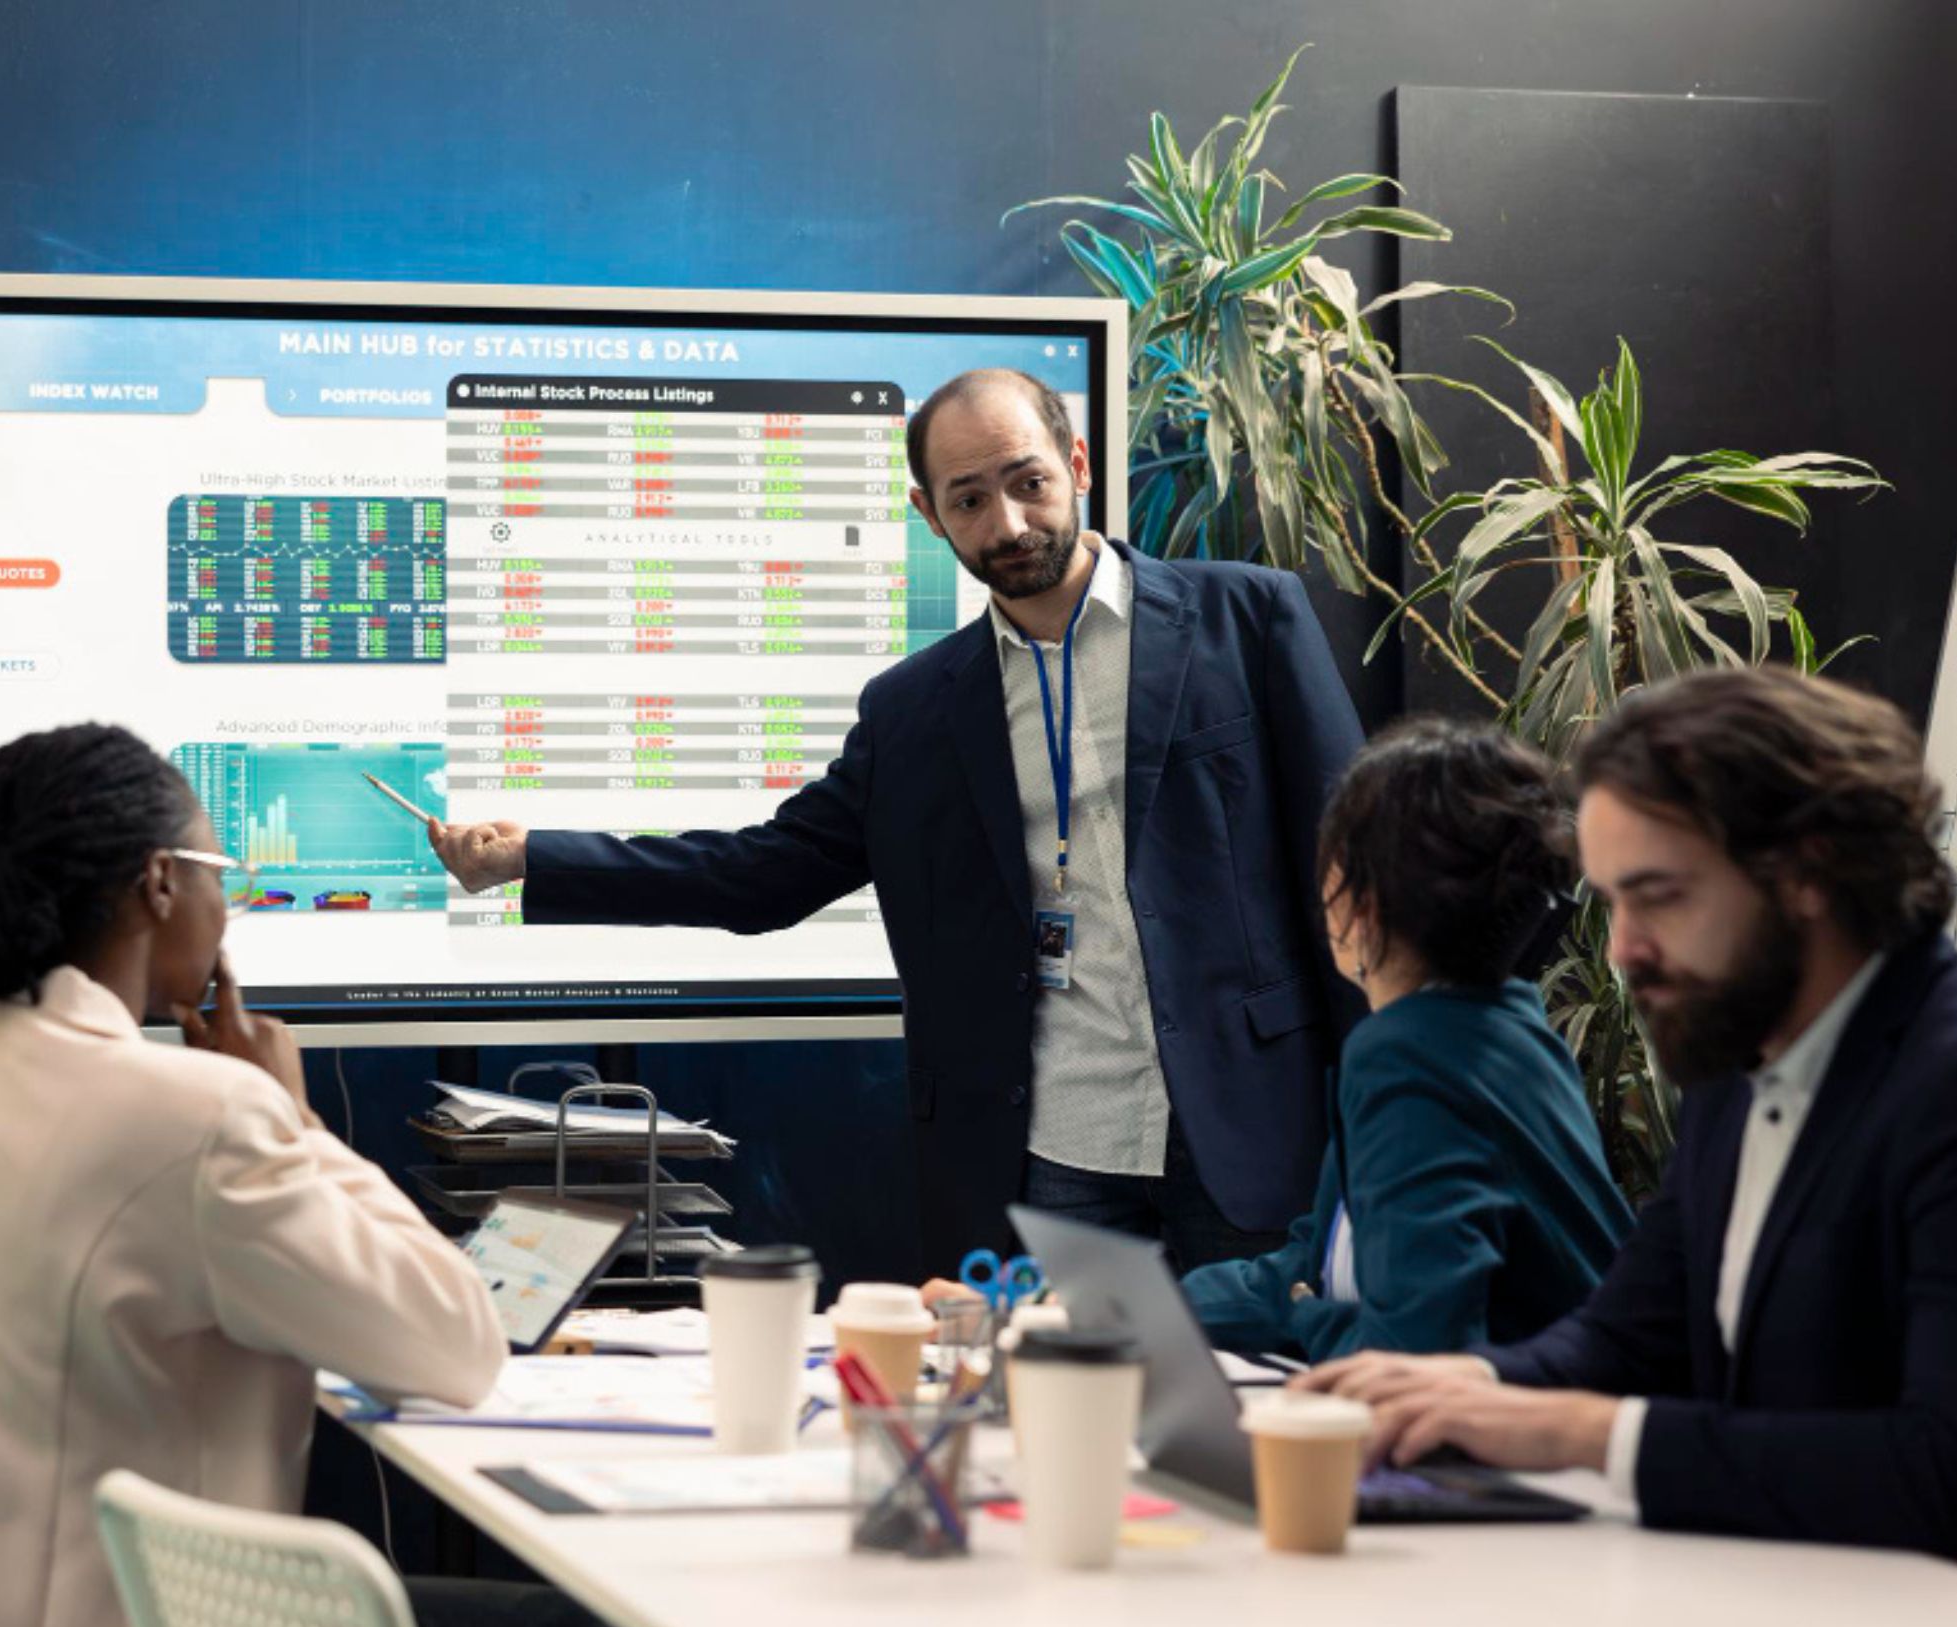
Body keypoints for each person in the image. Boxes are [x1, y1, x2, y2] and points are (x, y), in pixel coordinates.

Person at [0, 724, 645, 1627]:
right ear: (159, 882)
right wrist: (297, 1117)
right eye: (218, 869)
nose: (227, 903)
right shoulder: (202, 1114)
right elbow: (458, 1344)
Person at [429, 369, 1365, 1273]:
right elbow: (765, 875)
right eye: (966, 501)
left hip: (1248, 1124)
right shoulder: (915, 709)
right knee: (1044, 1423)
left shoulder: (1245, 619)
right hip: (1047, 1153)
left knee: (1260, 1419)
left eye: (1028, 483)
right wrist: (530, 860)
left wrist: (1380, 1109)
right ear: (928, 514)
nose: (1006, 523)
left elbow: (1356, 875)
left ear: (1076, 465)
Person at [1302, 667, 1957, 1564]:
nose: (1623, 951)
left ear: (1811, 871)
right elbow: (1624, 1338)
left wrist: (1589, 1435)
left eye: (1659, 896)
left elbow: (1951, 1473)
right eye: (1612, 901)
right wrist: (1460, 1382)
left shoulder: (1956, 1085)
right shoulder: (1739, 1059)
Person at [1177, 719, 1632, 1360]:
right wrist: (1149, 1306)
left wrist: (1306, 1315)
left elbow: (1412, 1356)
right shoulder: (1509, 1023)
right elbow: (1317, 1261)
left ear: (1361, 904)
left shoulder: (1408, 1054)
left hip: (1499, 1443)